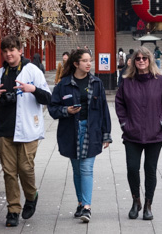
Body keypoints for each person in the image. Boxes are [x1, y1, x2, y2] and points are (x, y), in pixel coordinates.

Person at [0, 35, 51, 227]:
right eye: (5, 52)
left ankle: (31, 196)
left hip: (27, 129)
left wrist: (33, 89)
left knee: (25, 168)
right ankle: (13, 209)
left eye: (12, 50)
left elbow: (47, 97)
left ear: (20, 50)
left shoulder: (32, 71)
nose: (8, 54)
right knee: (8, 172)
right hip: (4, 129)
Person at [48, 49, 112, 223]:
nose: (89, 64)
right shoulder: (64, 84)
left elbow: (104, 110)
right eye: (84, 61)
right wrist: (66, 110)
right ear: (76, 64)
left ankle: (86, 207)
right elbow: (53, 109)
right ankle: (80, 202)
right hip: (71, 130)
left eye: (90, 60)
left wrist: (106, 134)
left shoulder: (96, 82)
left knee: (86, 169)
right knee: (77, 170)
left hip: (92, 130)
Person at [115, 47, 162, 221]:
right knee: (132, 168)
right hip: (132, 133)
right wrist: (124, 123)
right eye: (138, 58)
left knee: (150, 169)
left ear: (150, 60)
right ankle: (136, 201)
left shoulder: (160, 81)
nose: (141, 60)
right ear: (133, 61)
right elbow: (120, 104)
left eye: (144, 58)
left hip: (154, 134)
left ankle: (148, 204)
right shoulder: (127, 82)